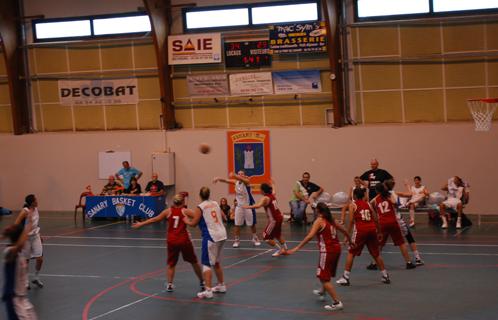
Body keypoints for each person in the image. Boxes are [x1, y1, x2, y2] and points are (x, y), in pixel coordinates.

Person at [132, 194, 204, 293]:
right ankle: (202, 282)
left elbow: (155, 219)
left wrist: (141, 224)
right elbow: (199, 216)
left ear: (173, 202)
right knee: (194, 262)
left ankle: (169, 284)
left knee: (171, 264)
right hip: (184, 240)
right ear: (183, 202)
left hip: (172, 241)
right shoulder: (185, 211)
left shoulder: (168, 211)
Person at [288, 203, 352, 311]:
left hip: (327, 251)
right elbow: (344, 230)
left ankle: (337, 302)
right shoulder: (332, 219)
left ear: (318, 210)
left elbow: (310, 236)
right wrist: (349, 240)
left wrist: (297, 247)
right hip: (337, 250)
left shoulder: (319, 221)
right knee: (326, 274)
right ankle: (322, 291)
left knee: (323, 277)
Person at [336, 188, 391, 286]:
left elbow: (352, 221)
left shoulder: (353, 205)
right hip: (372, 230)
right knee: (376, 254)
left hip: (361, 231)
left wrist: (347, 235)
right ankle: (385, 275)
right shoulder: (368, 204)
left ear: (355, 196)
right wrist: (379, 232)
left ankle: (345, 277)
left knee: (351, 252)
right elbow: (376, 218)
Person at [182, 187, 227, 299]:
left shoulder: (200, 207)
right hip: (222, 234)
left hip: (211, 236)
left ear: (200, 195)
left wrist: (186, 220)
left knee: (206, 263)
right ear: (209, 194)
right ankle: (221, 285)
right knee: (216, 261)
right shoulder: (216, 203)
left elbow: (193, 223)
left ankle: (208, 290)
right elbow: (224, 216)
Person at [370, 184, 416, 269]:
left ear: (377, 191)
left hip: (382, 223)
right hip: (392, 222)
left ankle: (374, 263)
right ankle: (408, 262)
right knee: (401, 243)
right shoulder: (389, 195)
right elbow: (395, 203)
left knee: (379, 244)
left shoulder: (375, 199)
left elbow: (370, 205)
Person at [213, 171, 261, 248]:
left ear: (244, 175)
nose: (240, 175)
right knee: (237, 225)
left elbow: (242, 179)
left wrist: (234, 175)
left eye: (242, 174)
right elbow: (226, 180)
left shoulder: (247, 181)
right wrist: (218, 178)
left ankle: (255, 238)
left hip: (248, 206)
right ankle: (237, 240)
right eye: (239, 174)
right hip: (239, 207)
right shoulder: (236, 182)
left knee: (251, 224)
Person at [2, 220, 38, 319]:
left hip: (23, 299)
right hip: (14, 298)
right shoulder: (9, 252)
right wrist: (29, 225)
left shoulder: (21, 255)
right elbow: (18, 246)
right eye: (25, 239)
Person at [385, 180, 424, 266]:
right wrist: (407, 185)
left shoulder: (382, 196)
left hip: (387, 220)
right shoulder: (395, 193)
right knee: (409, 238)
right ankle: (417, 258)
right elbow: (410, 194)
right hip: (398, 219)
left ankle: (374, 262)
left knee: (381, 241)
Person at [244, 181, 287, 257]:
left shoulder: (265, 198)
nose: (260, 191)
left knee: (265, 237)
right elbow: (274, 190)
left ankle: (280, 250)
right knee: (277, 235)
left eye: (260, 190)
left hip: (274, 220)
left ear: (263, 191)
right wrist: (273, 183)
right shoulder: (272, 195)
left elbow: (258, 206)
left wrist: (247, 207)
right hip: (279, 217)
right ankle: (285, 249)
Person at [15, 194, 45, 289]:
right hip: (26, 238)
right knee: (26, 260)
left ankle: (36, 277)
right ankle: (26, 281)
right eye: (36, 200)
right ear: (32, 202)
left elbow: (36, 223)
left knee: (40, 259)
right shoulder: (25, 211)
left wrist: (39, 235)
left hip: (35, 236)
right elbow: (16, 224)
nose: (37, 201)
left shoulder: (36, 209)